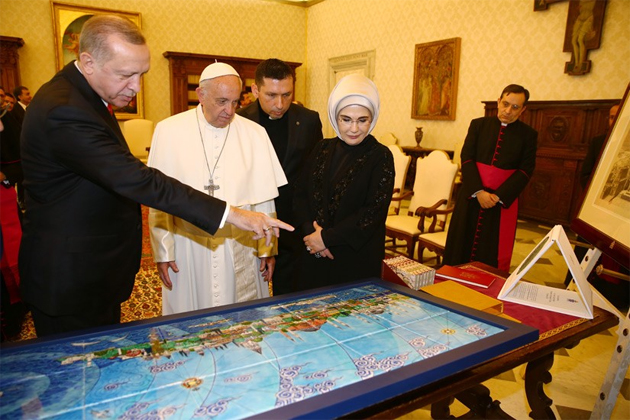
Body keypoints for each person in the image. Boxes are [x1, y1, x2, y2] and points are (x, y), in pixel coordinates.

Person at [19, 15, 292, 337]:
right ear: (89, 62)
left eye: (141, 75)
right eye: (126, 75)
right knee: (75, 361)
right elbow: (141, 181)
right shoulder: (64, 109)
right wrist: (231, 214)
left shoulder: (82, 99)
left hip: (90, 270)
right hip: (70, 274)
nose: (136, 87)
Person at [148, 62, 287, 315]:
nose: (229, 111)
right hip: (189, 244)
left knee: (243, 319)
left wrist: (268, 249)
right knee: (190, 315)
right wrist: (163, 251)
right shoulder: (168, 131)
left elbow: (264, 199)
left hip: (240, 243)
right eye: (222, 101)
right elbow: (159, 199)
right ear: (201, 95)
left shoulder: (255, 134)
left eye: (235, 102)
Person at [293, 74, 394, 291]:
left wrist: (326, 239)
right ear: (335, 117)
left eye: (362, 120)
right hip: (313, 251)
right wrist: (312, 236)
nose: (354, 129)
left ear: (372, 118)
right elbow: (300, 194)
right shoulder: (322, 148)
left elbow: (373, 212)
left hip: (354, 257)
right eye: (346, 119)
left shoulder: (381, 156)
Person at [237, 58, 323, 295]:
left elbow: (316, 174)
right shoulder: (239, 121)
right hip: (252, 222)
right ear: (255, 90)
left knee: (291, 291)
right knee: (251, 289)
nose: (280, 104)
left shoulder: (309, 120)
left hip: (294, 222)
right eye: (271, 95)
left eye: (287, 95)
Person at [443, 84, 538, 272]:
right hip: (471, 196)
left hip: (500, 203)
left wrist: (498, 196)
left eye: (515, 107)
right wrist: (478, 191)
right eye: (505, 104)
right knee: (461, 245)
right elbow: (467, 158)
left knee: (490, 251)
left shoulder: (528, 135)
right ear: (498, 101)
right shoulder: (478, 125)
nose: (508, 111)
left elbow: (526, 170)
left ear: (523, 110)